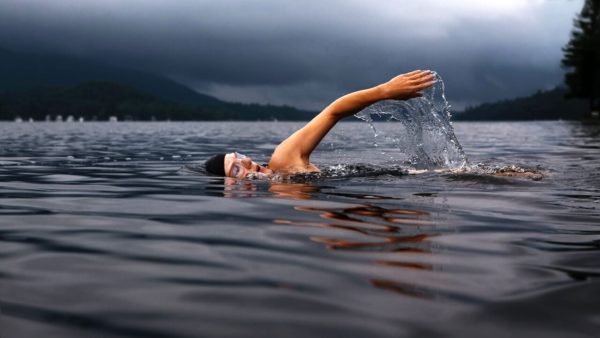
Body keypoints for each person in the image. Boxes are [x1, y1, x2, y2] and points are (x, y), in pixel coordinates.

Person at [204, 70, 435, 178]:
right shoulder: (280, 197)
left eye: (239, 156)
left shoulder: (282, 161)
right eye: (236, 168)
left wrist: (384, 91)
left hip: (420, 179)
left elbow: (332, 112)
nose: (246, 161)